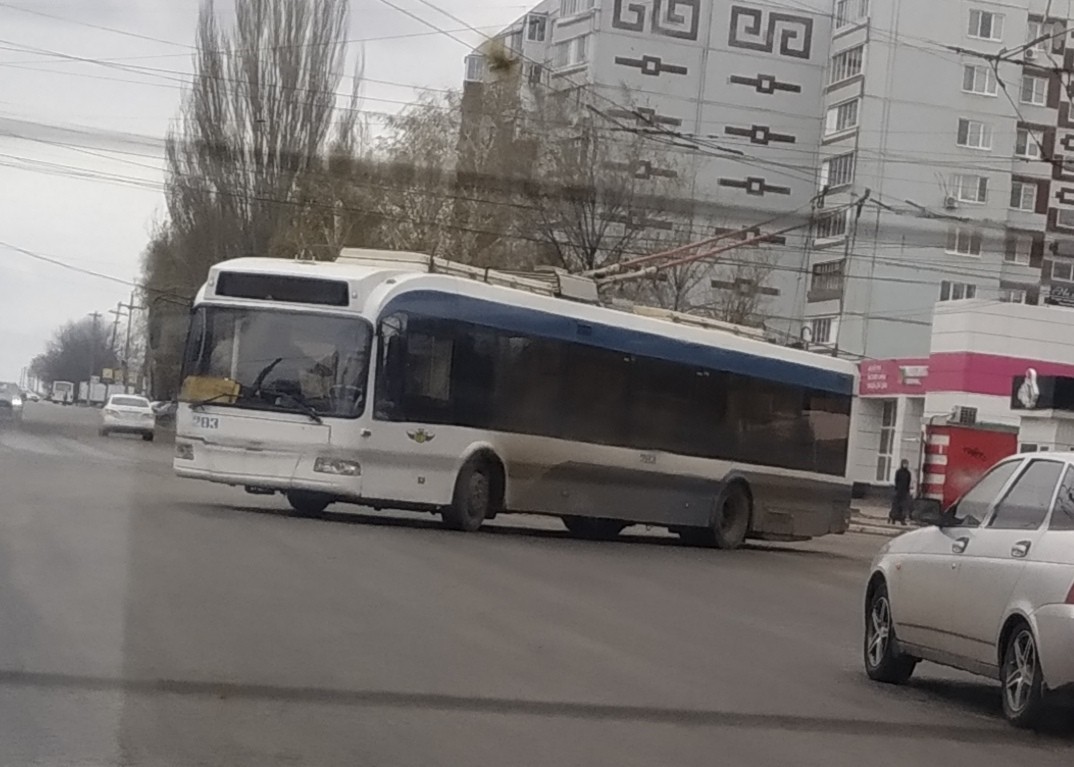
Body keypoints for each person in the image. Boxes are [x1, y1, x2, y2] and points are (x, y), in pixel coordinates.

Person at [890, 459, 913, 526]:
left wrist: (907, 490)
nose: (905, 465)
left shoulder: (908, 473)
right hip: (898, 491)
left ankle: (902, 519)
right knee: (896, 506)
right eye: (904, 464)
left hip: (905, 492)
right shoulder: (899, 472)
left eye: (906, 464)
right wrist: (897, 488)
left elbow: (908, 482)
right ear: (902, 464)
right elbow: (896, 480)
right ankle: (893, 518)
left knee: (904, 507)